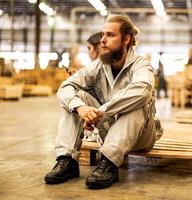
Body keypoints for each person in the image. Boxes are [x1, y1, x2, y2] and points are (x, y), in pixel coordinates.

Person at [45, 15, 161, 189]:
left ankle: (109, 163)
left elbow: (143, 90)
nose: (103, 40)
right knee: (76, 98)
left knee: (138, 101)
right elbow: (66, 87)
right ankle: (67, 160)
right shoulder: (99, 65)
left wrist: (102, 111)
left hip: (140, 136)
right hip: (109, 131)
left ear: (126, 39)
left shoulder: (141, 65)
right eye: (102, 35)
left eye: (110, 35)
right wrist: (81, 108)